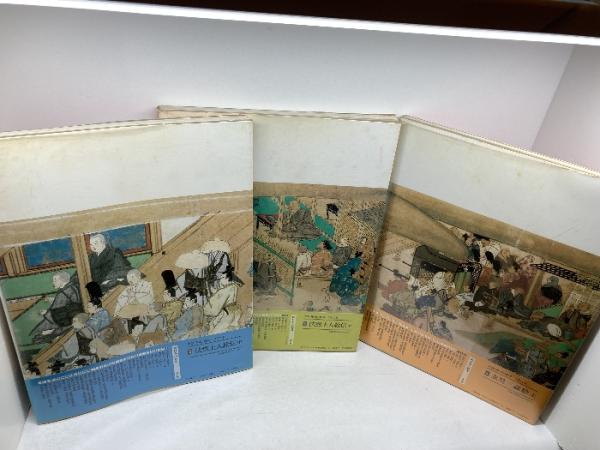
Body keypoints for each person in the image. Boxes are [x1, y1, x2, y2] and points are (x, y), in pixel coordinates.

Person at [31, 271, 83, 342]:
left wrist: (46, 313)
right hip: (72, 315)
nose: (53, 283)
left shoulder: (63, 293)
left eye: (55, 280)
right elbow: (65, 303)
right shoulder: (71, 287)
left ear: (62, 280)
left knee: (39, 330)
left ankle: (47, 333)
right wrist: (51, 301)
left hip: (69, 318)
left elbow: (57, 310)